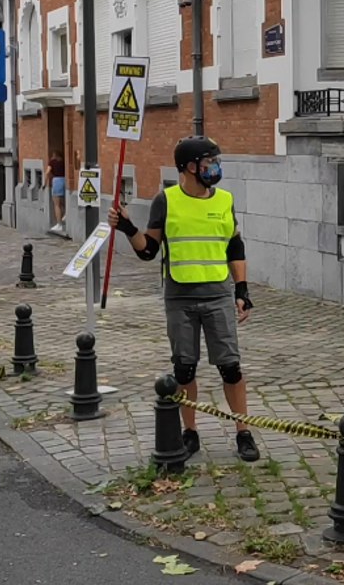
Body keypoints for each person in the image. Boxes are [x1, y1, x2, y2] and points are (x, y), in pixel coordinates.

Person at [108, 136, 259, 462]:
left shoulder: (224, 200)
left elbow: (235, 247)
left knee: (230, 367)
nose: (215, 167)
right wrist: (127, 227)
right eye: (209, 162)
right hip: (180, 297)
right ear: (190, 167)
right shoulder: (167, 200)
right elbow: (149, 251)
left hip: (218, 294)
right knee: (184, 369)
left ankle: (243, 431)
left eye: (216, 161)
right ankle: (190, 433)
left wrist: (242, 289)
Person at [48, 151, 66, 234]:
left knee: (56, 204)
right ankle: (65, 215)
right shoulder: (63, 161)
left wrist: (45, 182)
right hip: (64, 180)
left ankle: (59, 224)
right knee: (62, 201)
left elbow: (47, 172)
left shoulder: (52, 162)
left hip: (57, 181)